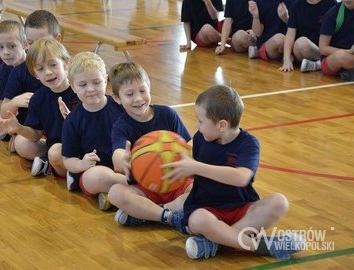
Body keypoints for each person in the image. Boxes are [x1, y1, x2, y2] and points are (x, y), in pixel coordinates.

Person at [162, 85, 302, 260]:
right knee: (198, 220)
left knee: (279, 202)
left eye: (200, 121)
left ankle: (216, 242)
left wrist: (196, 167)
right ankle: (259, 246)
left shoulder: (249, 143)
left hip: (240, 206)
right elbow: (194, 170)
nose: (197, 126)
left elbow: (241, 177)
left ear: (222, 125)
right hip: (206, 208)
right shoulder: (200, 138)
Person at [107, 62, 193, 230]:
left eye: (142, 91)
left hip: (177, 182)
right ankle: (170, 216)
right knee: (115, 193)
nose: (138, 98)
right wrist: (121, 159)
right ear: (117, 98)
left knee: (202, 188)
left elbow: (188, 145)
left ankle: (151, 214)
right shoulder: (121, 126)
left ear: (149, 88)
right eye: (130, 94)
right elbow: (118, 151)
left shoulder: (168, 114)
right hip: (145, 188)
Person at [0, 38, 78, 178]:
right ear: (35, 75)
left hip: (82, 145)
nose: (48, 72)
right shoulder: (38, 98)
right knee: (23, 143)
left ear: (66, 64)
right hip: (56, 147)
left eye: (53, 65)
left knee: (57, 153)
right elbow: (36, 134)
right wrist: (18, 128)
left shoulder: (79, 91)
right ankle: (54, 164)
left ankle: (54, 165)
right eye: (41, 69)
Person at [62, 52, 126, 210]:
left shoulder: (121, 107)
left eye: (96, 82)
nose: (90, 89)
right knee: (97, 177)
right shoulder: (72, 121)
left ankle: (116, 195)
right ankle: (138, 188)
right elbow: (68, 160)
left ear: (105, 80)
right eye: (83, 85)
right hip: (95, 170)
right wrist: (82, 164)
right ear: (73, 86)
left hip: (124, 166)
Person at [0, 10, 62, 153]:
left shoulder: (69, 67)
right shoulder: (20, 71)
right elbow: (4, 111)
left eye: (43, 41)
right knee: (23, 144)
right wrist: (16, 101)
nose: (37, 48)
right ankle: (50, 160)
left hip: (67, 132)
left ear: (57, 38)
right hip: (36, 131)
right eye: (31, 43)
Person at [278, 0, 336, 73]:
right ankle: (318, 64)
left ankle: (322, 62)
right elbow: (290, 33)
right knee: (300, 44)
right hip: (303, 51)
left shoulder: (331, 4)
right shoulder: (296, 4)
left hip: (322, 49)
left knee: (302, 43)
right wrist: (286, 59)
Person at [319, 0, 354, 80]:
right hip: (332, 60)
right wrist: (349, 51)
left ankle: (349, 71)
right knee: (340, 56)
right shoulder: (332, 14)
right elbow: (323, 48)